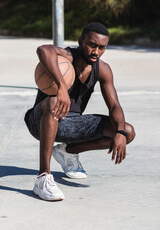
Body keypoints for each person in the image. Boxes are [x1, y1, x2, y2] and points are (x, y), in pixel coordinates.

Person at [24, 22, 135, 201]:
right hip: (40, 121)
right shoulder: (68, 56)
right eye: (92, 45)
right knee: (53, 102)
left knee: (127, 131)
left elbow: (115, 107)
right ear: (81, 41)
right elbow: (43, 49)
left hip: (71, 123)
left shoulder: (103, 70)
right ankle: (43, 178)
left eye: (101, 47)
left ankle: (68, 150)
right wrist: (61, 86)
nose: (96, 51)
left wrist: (120, 131)